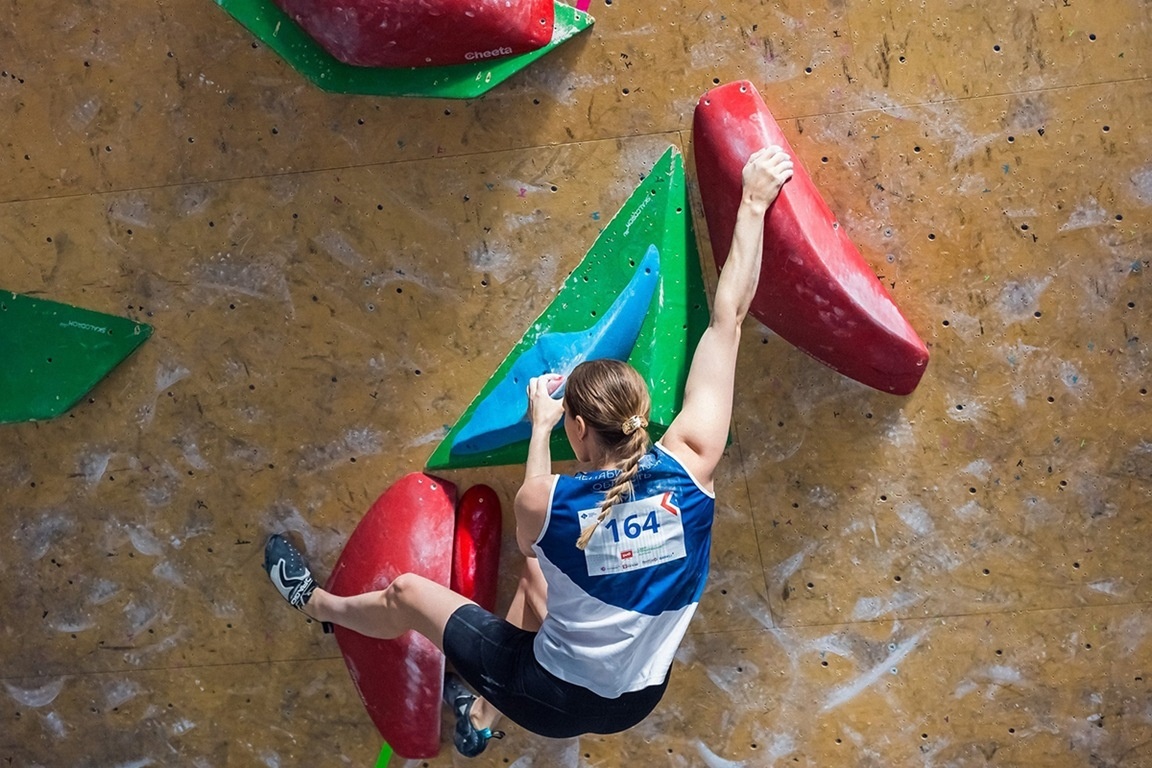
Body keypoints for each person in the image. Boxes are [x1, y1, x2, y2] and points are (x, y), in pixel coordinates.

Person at [263, 145, 794, 757]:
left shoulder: (549, 502)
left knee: (410, 593)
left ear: (576, 428)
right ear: (641, 417)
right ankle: (481, 717)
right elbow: (728, 319)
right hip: (637, 694)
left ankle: (320, 606)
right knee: (541, 576)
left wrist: (537, 429)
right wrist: (753, 202)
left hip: (548, 693)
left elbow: (531, 514)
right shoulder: (693, 460)